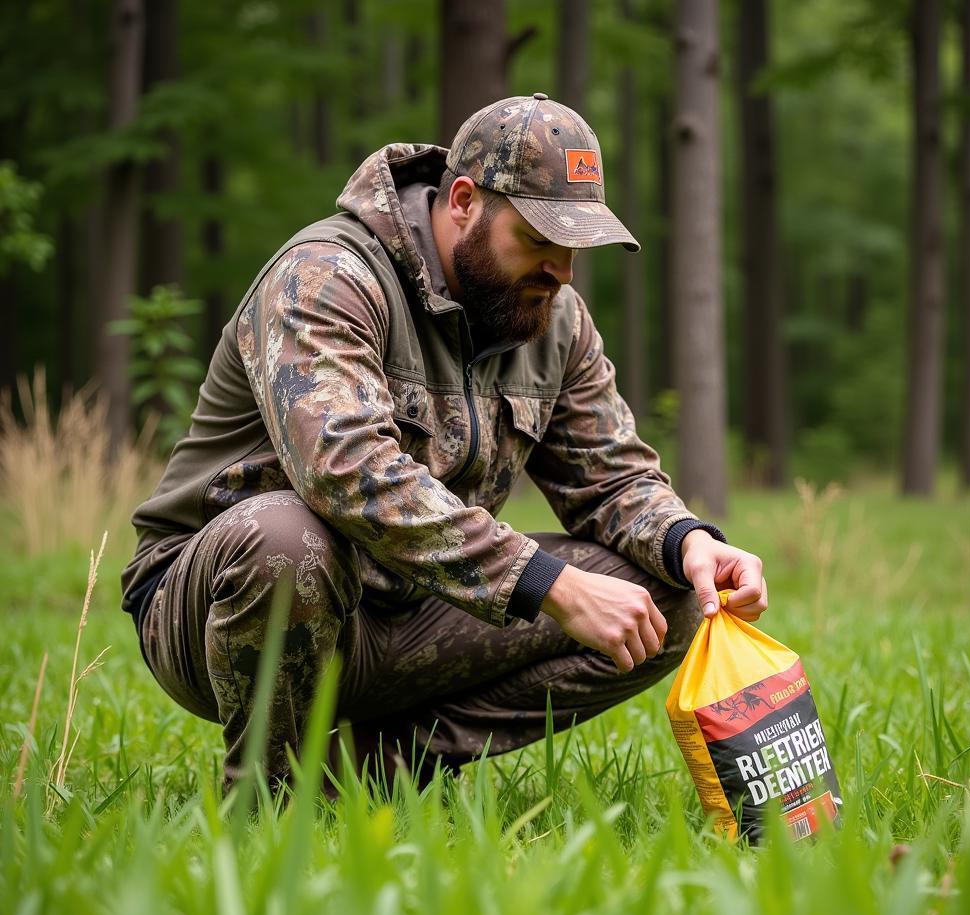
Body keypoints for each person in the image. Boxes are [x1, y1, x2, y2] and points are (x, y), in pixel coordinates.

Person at [121, 94, 768, 791]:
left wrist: (688, 543)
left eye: (575, 248)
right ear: (463, 201)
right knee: (287, 539)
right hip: (218, 606)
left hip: (411, 605)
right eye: (539, 240)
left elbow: (611, 478)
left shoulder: (554, 320)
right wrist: (545, 583)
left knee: (663, 598)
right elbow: (347, 473)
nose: (562, 271)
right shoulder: (327, 276)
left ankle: (371, 776)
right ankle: (269, 801)